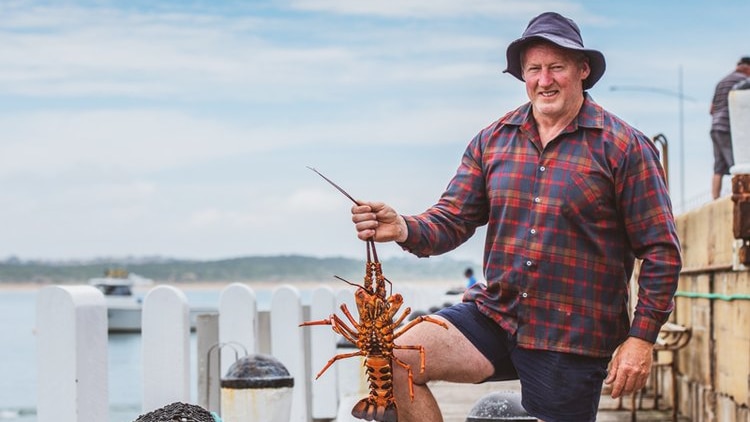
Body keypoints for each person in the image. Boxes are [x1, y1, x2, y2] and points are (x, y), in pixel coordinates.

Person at [350, 12, 682, 422]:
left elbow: (662, 252)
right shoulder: (493, 140)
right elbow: (452, 217)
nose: (545, 80)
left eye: (557, 67)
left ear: (583, 70)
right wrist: (403, 226)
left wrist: (640, 339)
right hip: (497, 314)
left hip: (571, 336)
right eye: (534, 70)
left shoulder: (624, 148)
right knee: (397, 355)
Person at [709, 56, 750, 199]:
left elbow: (711, 109)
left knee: (718, 167)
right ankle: (738, 192)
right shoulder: (742, 81)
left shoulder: (722, 82)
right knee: (736, 163)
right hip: (727, 128)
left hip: (715, 127)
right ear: (747, 68)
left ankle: (715, 198)